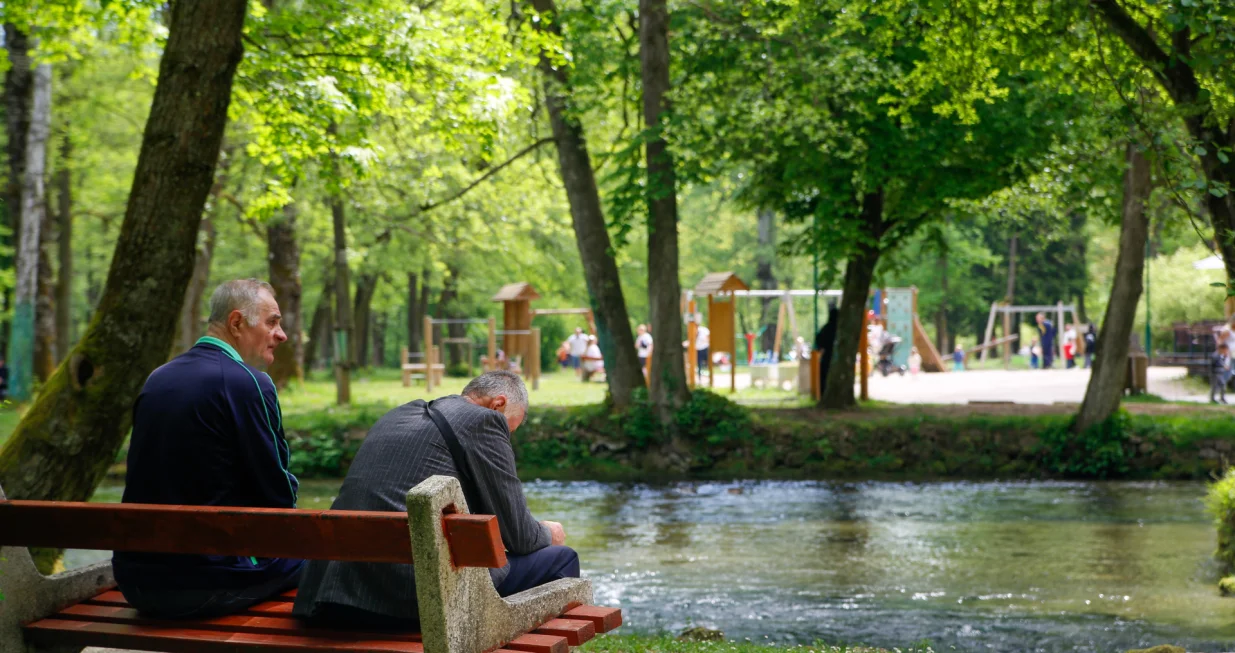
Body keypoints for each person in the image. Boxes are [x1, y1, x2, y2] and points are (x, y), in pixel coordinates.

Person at [293, 371, 577, 629]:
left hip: (328, 595)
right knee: (562, 558)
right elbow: (521, 536)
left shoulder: (399, 414)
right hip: (403, 602)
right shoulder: (484, 421)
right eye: (510, 430)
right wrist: (549, 531)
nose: (507, 439)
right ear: (498, 404)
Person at [113, 279, 302, 619]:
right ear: (236, 323)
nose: (281, 334)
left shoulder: (158, 378)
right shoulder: (250, 384)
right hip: (204, 585)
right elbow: (280, 498)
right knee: (326, 558)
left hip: (135, 581)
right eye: (272, 321)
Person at [814, 306, 840, 398]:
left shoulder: (826, 328)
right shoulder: (840, 330)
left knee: (824, 377)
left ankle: (824, 395)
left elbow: (819, 342)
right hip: (837, 358)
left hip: (827, 356)